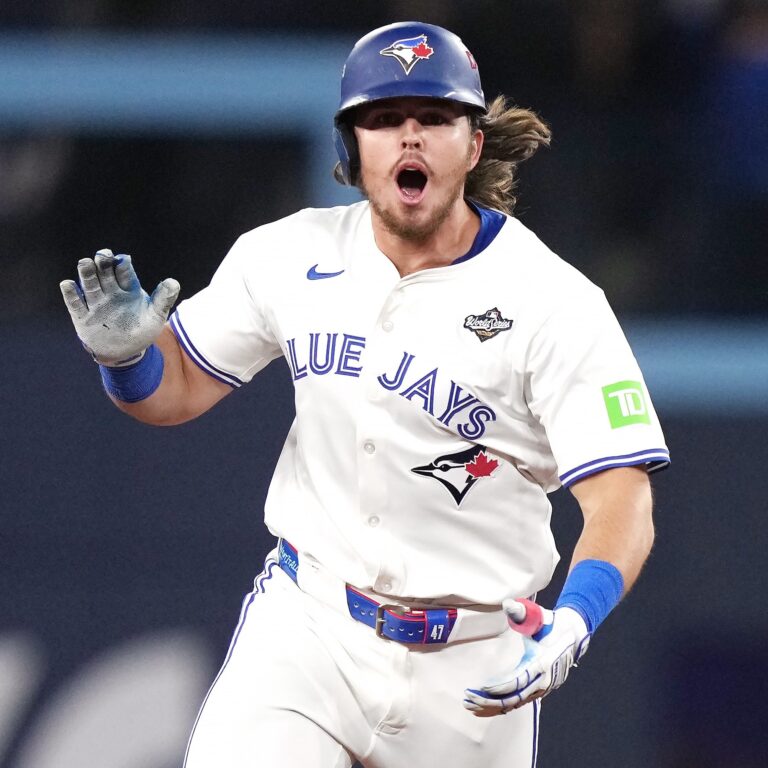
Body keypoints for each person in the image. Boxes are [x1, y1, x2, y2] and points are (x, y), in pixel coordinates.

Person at [60, 21, 670, 768]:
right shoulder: (288, 254)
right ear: (353, 148)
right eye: (383, 120)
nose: (408, 138)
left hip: (477, 666)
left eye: (434, 118)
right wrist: (127, 363)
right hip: (311, 628)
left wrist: (576, 618)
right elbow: (177, 386)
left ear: (473, 144)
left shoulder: (553, 300)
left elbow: (623, 500)